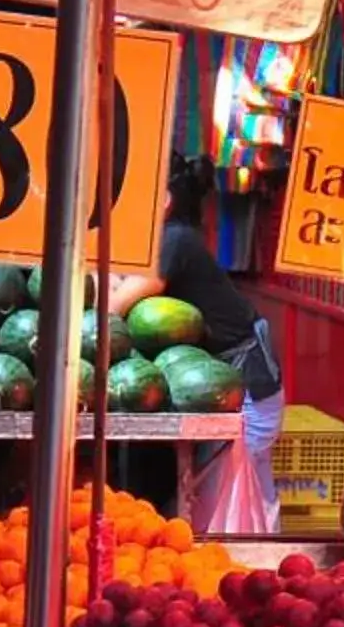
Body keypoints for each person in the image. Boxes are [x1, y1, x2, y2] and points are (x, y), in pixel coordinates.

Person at [109, 156, 283, 532]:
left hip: (245, 388)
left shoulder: (175, 241)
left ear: (164, 200)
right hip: (214, 385)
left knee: (242, 508)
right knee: (228, 505)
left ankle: (260, 571)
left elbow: (115, 306)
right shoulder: (160, 242)